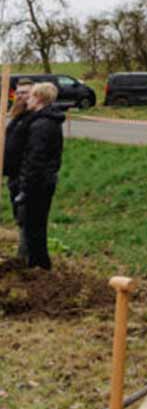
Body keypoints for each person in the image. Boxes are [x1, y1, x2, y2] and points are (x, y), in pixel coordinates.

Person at [15, 82, 64, 270]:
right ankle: (39, 265)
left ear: (40, 99)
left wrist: (26, 188)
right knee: (36, 226)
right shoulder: (47, 121)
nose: (28, 99)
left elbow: (35, 159)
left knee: (34, 227)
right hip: (44, 180)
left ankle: (39, 266)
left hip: (38, 184)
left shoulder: (41, 125)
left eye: (32, 96)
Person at [4, 79, 35, 263]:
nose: (21, 96)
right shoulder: (18, 116)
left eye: (26, 92)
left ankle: (26, 258)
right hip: (14, 175)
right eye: (19, 92)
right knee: (18, 214)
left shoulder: (34, 117)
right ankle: (23, 255)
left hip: (25, 176)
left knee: (26, 217)